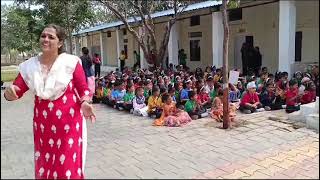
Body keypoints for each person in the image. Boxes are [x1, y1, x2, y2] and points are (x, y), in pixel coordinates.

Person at [3, 24, 95, 179]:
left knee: (67, 167)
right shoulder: (30, 66)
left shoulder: (71, 62)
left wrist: (85, 103)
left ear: (59, 43)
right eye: (43, 36)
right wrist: (8, 93)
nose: (45, 39)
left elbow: (83, 89)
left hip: (69, 124)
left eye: (51, 37)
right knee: (45, 165)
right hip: (43, 126)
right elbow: (15, 90)